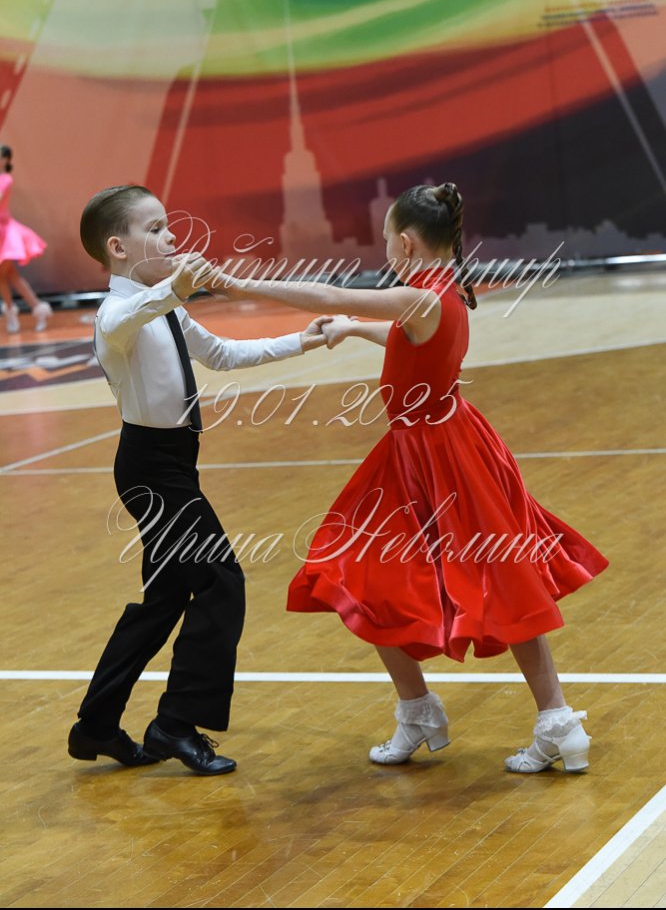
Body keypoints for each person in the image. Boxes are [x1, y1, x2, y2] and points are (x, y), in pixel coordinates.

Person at [210, 182, 609, 773]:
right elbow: (407, 339)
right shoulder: (441, 291)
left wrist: (239, 284)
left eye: (384, 241)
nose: (384, 251)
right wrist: (352, 327)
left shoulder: (420, 295)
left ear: (404, 243)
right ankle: (483, 716)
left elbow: (329, 292)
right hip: (439, 446)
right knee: (403, 572)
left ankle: (532, 718)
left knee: (401, 571)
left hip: (433, 457)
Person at [69, 184, 332, 776]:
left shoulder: (165, 305)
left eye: (168, 226)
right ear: (117, 247)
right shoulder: (117, 314)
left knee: (165, 599)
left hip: (174, 463)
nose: (171, 237)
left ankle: (96, 727)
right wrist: (175, 287)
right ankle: (176, 724)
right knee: (220, 581)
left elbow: (222, 354)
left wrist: (303, 340)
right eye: (155, 229)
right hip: (151, 470)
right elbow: (128, 316)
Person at [0, 144, 52, 333]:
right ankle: (36, 308)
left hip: (6, 232)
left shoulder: (6, 179)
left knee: (3, 274)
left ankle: (13, 311)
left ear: (6, 159)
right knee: (10, 275)